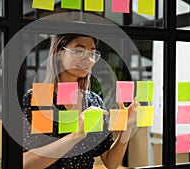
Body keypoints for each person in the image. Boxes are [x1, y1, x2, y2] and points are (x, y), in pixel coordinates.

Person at [22, 33, 139, 169]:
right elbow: (25, 164)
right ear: (58, 53)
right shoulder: (38, 100)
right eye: (79, 51)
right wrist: (75, 135)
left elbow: (111, 162)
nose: (88, 59)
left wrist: (128, 126)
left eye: (92, 53)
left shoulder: (94, 102)